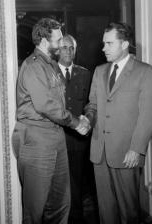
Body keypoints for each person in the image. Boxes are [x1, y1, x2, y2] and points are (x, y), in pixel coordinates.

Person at [12, 18, 89, 224]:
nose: (62, 43)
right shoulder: (33, 67)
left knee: (60, 203)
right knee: (35, 208)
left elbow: (59, 103)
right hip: (36, 138)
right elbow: (46, 105)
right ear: (45, 41)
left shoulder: (52, 65)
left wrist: (76, 119)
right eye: (58, 39)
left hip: (56, 136)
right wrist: (75, 122)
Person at [81, 22, 152, 224]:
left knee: (129, 211)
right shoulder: (99, 71)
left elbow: (148, 115)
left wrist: (136, 149)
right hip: (100, 151)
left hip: (126, 153)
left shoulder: (144, 71)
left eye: (109, 43)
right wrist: (87, 119)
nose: (103, 48)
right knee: (106, 212)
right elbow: (93, 105)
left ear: (124, 44)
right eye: (103, 43)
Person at [57, 35, 92, 224]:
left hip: (78, 140)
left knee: (77, 183)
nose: (68, 52)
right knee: (58, 185)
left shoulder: (84, 73)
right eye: (64, 48)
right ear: (57, 50)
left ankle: (76, 218)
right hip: (57, 138)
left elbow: (89, 103)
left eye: (71, 48)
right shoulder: (49, 72)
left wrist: (87, 118)